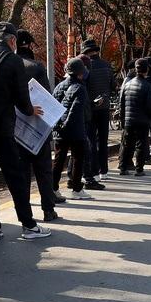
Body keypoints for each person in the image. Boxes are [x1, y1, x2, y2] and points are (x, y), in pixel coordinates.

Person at [0, 22, 51, 241]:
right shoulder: (13, 60)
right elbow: (21, 97)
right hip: (4, 128)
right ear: (11, 40)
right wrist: (31, 110)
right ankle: (28, 225)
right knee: (15, 177)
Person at [15, 30, 64, 221]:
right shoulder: (36, 67)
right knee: (43, 170)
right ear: (28, 45)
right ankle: (48, 210)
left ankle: (25, 214)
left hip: (16, 128)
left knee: (22, 173)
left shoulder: (8, 65)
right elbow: (47, 97)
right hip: (38, 127)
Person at [51, 57, 92, 200]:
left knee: (58, 160)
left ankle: (53, 188)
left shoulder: (59, 86)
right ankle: (76, 189)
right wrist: (67, 125)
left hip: (59, 130)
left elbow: (53, 106)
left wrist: (58, 125)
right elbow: (75, 110)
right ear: (80, 72)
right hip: (75, 129)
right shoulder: (81, 88)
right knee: (77, 159)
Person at [79, 38, 112, 186]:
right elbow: (113, 85)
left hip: (90, 109)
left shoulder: (85, 67)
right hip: (104, 107)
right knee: (103, 140)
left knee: (91, 140)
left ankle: (93, 171)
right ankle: (104, 170)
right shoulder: (107, 65)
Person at [118, 59, 151, 176]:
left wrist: (122, 118)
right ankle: (139, 169)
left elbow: (121, 103)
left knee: (126, 144)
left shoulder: (127, 84)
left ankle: (123, 167)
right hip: (142, 120)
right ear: (146, 70)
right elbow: (150, 106)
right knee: (141, 144)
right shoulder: (148, 86)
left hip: (129, 119)